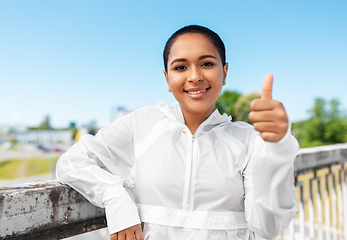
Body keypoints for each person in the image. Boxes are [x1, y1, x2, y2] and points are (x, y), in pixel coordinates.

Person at [56, 25, 299, 240]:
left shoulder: (247, 140)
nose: (194, 76)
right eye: (181, 67)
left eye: (207, 64)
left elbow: (268, 228)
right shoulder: (142, 124)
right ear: (167, 78)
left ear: (224, 72)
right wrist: (114, 196)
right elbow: (72, 162)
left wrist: (278, 147)